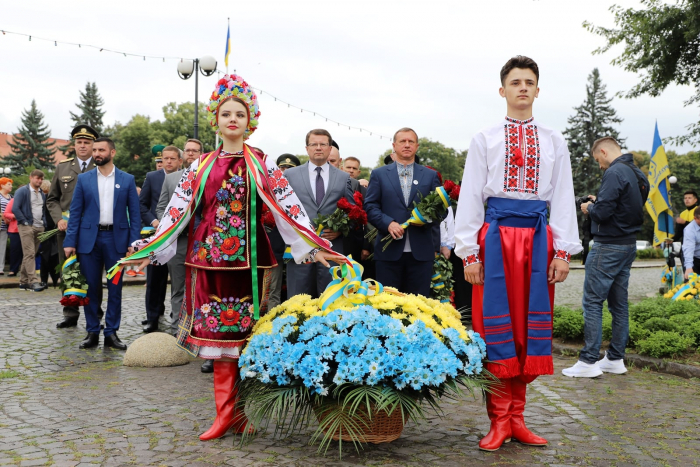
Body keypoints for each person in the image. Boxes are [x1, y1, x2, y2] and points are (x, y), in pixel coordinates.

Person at [129, 73, 343, 441]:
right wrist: (153, 248)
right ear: (216, 119)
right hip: (209, 260)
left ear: (250, 121)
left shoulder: (262, 165)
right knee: (219, 338)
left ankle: (239, 413)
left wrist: (312, 244)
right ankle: (224, 414)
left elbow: (287, 208)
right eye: (226, 113)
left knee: (245, 339)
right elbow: (178, 211)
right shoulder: (199, 166)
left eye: (240, 115)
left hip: (251, 263)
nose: (232, 119)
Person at [454, 56, 581, 451]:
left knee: (527, 327)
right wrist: (469, 254)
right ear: (502, 90)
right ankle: (498, 419)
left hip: (537, 240)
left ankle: (518, 418)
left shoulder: (554, 139)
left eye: (529, 82)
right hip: (494, 242)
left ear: (538, 90)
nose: (522, 87)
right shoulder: (485, 138)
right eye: (515, 82)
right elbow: (471, 195)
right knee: (495, 327)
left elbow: (562, 197)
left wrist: (562, 251)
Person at [563, 137, 647, 378]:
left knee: (592, 303)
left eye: (598, 160)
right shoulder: (636, 172)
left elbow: (603, 213)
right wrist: (600, 202)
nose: (600, 166)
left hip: (608, 246)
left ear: (602, 151)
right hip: (627, 245)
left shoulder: (614, 172)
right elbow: (628, 207)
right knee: (619, 305)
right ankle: (614, 359)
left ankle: (588, 362)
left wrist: (590, 208)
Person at [64, 137, 141, 351]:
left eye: (101, 150)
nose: (96, 153)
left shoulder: (127, 180)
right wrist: (70, 241)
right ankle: (92, 331)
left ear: (112, 152)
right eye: (94, 150)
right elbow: (75, 212)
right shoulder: (84, 179)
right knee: (91, 288)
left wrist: (134, 242)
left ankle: (111, 333)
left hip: (116, 240)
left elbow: (135, 216)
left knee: (115, 288)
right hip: (89, 241)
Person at [365, 128, 441, 296]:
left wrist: (426, 219)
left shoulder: (430, 175)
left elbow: (441, 211)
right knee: (388, 304)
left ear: (417, 146)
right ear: (394, 145)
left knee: (419, 304)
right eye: (402, 141)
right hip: (388, 252)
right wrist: (388, 223)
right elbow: (370, 206)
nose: (407, 145)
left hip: (421, 252)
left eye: (411, 142)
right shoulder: (379, 174)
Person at [155, 141, 209, 369]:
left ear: (201, 154)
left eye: (195, 151)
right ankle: (179, 331)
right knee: (178, 286)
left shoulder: (209, 177)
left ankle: (202, 331)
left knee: (203, 287)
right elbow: (161, 207)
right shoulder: (170, 178)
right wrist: (168, 225)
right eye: (187, 151)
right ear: (183, 155)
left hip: (204, 242)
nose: (191, 154)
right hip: (179, 242)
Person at [284, 129, 355, 298]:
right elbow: (282, 212)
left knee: (330, 303)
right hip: (300, 251)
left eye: (323, 144)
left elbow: (353, 213)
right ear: (307, 148)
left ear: (330, 149)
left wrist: (340, 230)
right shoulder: (290, 175)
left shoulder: (343, 178)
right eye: (313, 144)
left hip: (331, 251)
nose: (318, 148)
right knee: (297, 303)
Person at [48, 124, 103, 328]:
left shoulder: (100, 167)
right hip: (66, 230)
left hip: (93, 231)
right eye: (79, 142)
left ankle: (95, 313)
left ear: (93, 145)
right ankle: (70, 314)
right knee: (68, 271)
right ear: (74, 144)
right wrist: (58, 219)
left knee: (93, 274)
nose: (82, 146)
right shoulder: (63, 167)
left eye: (87, 143)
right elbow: (52, 199)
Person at [140, 145, 180, 333]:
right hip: (157, 235)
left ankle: (177, 317)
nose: (169, 162)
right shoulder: (152, 177)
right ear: (161, 160)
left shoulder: (188, 177)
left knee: (179, 281)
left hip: (179, 237)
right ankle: (153, 319)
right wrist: (154, 221)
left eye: (173, 158)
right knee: (155, 279)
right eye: (166, 158)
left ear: (179, 161)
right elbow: (142, 205)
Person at [12, 170, 46, 292]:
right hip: (27, 226)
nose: (39, 181)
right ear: (30, 178)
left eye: (41, 179)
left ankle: (23, 282)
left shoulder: (42, 193)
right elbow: (15, 208)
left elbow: (43, 209)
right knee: (30, 254)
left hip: (39, 226)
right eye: (37, 178)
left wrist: (44, 223)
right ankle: (33, 281)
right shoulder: (22, 191)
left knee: (30, 255)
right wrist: (25, 222)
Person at [39, 179, 59, 288]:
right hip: (49, 230)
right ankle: (45, 279)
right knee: (46, 255)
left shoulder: (55, 198)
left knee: (53, 255)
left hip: (56, 229)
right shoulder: (46, 198)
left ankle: (50, 279)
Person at [673, 190, 698, 264]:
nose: (687, 200)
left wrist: (685, 222)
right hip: (685, 245)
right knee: (686, 269)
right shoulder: (683, 213)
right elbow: (679, 232)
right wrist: (671, 239)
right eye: (685, 198)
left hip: (697, 246)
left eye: (689, 198)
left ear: (695, 200)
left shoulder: (698, 211)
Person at [2, 195, 22, 277]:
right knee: (15, 250)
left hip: (29, 228)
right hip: (15, 229)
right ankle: (13, 270)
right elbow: (6, 213)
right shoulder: (14, 200)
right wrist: (15, 216)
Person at [0, 177, 12, 275]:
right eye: (8, 184)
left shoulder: (11, 197)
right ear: (2, 185)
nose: (11, 186)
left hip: (6, 226)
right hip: (1, 221)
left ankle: (1, 268)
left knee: (2, 247)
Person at [683, 207, 700, 276]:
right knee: (693, 284)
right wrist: (689, 267)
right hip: (695, 259)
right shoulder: (689, 230)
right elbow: (689, 248)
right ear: (695, 218)